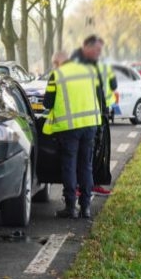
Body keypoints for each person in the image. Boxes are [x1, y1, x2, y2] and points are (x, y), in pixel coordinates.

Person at [42, 55, 102, 220]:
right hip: (90, 125)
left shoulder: (57, 75)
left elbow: (47, 102)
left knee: (69, 166)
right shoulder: (89, 72)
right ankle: (86, 207)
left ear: (59, 62)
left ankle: (71, 208)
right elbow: (99, 96)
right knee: (86, 166)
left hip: (69, 128)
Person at [71, 35, 116, 196]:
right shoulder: (77, 63)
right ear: (87, 47)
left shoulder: (96, 64)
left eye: (100, 50)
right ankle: (79, 187)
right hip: (84, 117)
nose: (99, 53)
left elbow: (110, 85)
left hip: (99, 114)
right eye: (97, 49)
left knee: (97, 153)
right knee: (83, 155)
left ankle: (93, 183)